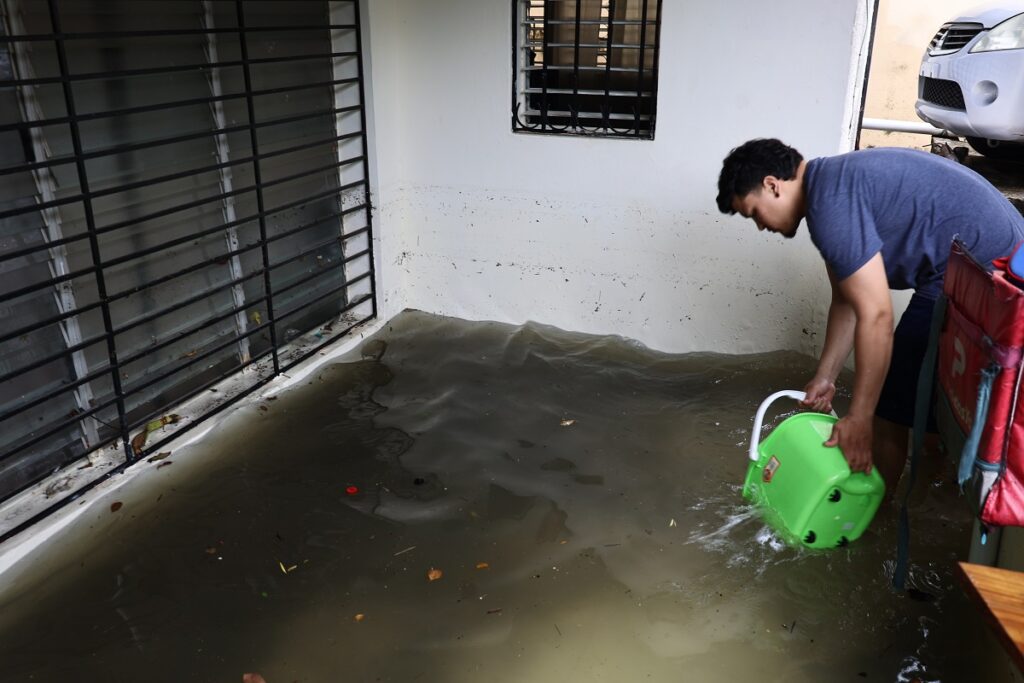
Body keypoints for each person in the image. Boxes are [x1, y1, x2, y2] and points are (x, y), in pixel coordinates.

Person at [716, 138, 1024, 491]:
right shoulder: (830, 187)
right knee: (920, 394)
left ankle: (879, 510)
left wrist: (860, 418)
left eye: (753, 213)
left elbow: (877, 315)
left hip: (986, 270)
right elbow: (847, 302)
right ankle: (931, 491)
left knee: (888, 407)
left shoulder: (829, 205)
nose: (760, 226)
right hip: (986, 262)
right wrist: (826, 377)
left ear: (772, 185)